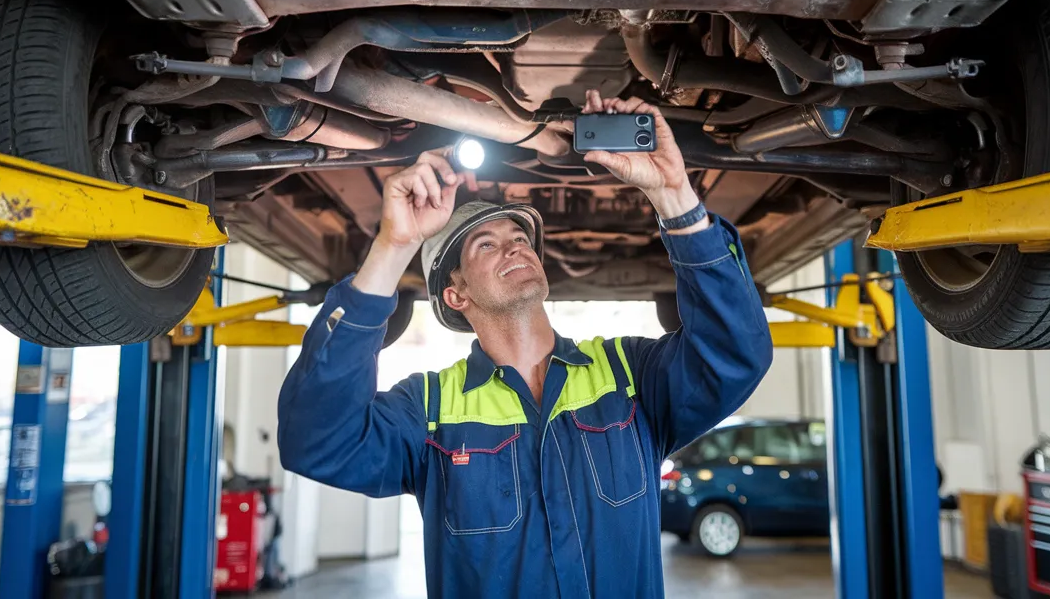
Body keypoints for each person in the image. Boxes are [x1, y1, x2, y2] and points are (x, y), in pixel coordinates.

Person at [278, 90, 774, 598]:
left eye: (519, 237)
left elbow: (736, 355)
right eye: (486, 245)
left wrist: (674, 195)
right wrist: (393, 245)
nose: (514, 245)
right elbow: (316, 440)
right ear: (456, 294)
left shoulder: (629, 375)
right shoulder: (428, 411)